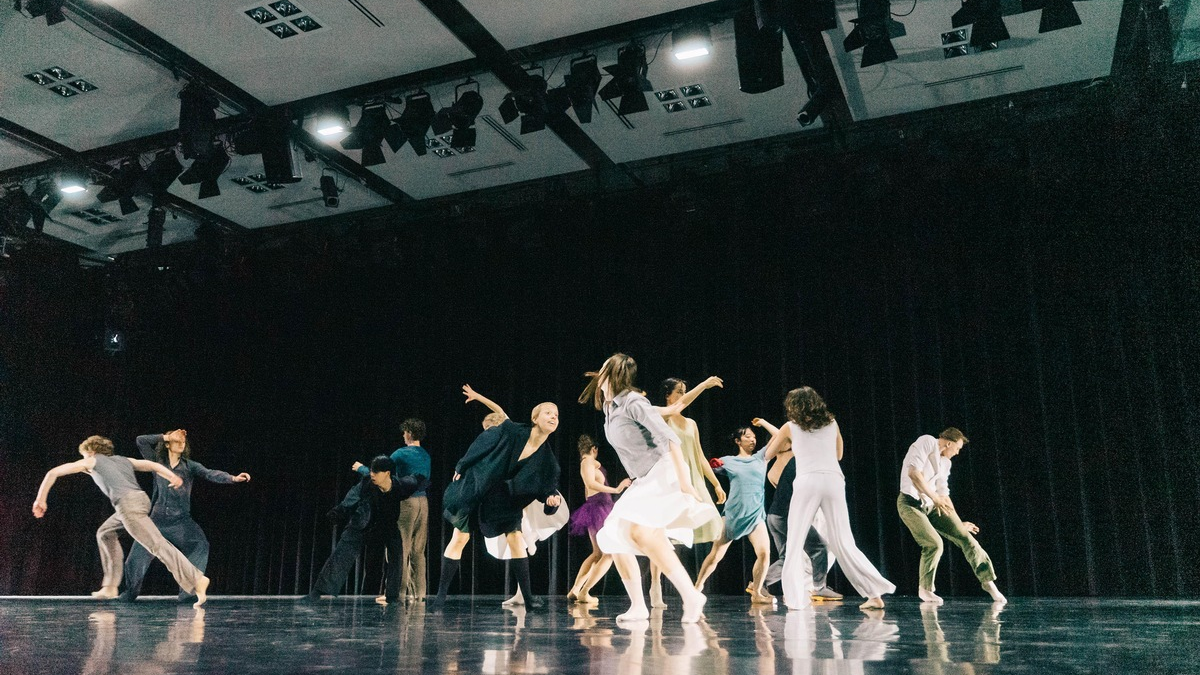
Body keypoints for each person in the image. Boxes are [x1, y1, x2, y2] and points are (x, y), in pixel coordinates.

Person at [578, 353, 721, 624]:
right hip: (644, 478)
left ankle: (691, 596)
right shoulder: (611, 408)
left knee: (642, 532)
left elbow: (671, 440)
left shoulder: (633, 402)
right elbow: (669, 410)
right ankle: (639, 607)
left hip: (662, 471)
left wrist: (685, 482)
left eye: (604, 367)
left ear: (613, 372)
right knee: (611, 536)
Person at [31, 435, 210, 608]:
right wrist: (171, 476)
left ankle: (196, 579)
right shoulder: (123, 460)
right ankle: (110, 586)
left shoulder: (92, 460)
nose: (83, 461)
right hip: (139, 501)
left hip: (128, 506)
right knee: (105, 533)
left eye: (84, 456)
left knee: (157, 545)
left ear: (91, 451)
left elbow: (53, 472)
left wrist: (41, 499)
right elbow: (152, 465)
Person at [431, 385, 562, 611]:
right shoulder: (513, 431)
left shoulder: (549, 462)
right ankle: (440, 597)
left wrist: (552, 501)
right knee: (460, 538)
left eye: (556, 415)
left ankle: (528, 598)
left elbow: (547, 490)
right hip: (481, 490)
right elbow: (484, 441)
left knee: (515, 539)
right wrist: (463, 464)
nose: (553, 416)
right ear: (535, 417)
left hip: (506, 501)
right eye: (549, 412)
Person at [763, 387, 895, 610]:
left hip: (807, 482)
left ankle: (796, 600)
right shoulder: (832, 423)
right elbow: (839, 455)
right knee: (844, 541)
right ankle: (874, 594)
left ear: (793, 406)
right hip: (834, 481)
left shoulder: (789, 427)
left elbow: (767, 454)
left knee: (794, 543)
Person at [120, 429, 250, 602]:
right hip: (156, 521)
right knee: (136, 558)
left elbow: (209, 473)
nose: (181, 443)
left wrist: (232, 478)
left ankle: (187, 594)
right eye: (177, 440)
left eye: (183, 441)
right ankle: (130, 593)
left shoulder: (190, 466)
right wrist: (167, 436)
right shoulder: (157, 462)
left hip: (180, 521)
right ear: (167, 444)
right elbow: (141, 441)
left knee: (200, 544)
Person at [897, 428, 1006, 605]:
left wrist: (957, 521)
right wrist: (935, 498)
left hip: (933, 505)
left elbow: (944, 495)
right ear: (949, 443)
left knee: (966, 538)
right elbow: (914, 474)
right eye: (957, 448)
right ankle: (925, 590)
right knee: (934, 543)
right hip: (910, 504)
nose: (957, 452)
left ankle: (988, 582)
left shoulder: (945, 463)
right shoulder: (926, 441)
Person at [302, 456, 425, 604]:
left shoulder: (400, 485)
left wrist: (422, 478)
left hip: (387, 526)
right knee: (342, 552)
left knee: (397, 555)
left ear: (387, 473)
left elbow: (415, 480)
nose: (372, 474)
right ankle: (317, 592)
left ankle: (392, 597)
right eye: (371, 470)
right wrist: (336, 513)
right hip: (363, 523)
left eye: (376, 471)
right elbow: (350, 499)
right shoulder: (367, 483)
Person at [648, 376, 726, 608]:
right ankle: (655, 584)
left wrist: (715, 483)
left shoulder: (691, 424)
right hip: (670, 480)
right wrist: (703, 385)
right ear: (668, 395)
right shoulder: (660, 416)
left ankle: (689, 587)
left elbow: (699, 455)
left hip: (691, 479)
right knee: (660, 534)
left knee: (708, 525)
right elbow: (675, 410)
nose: (683, 395)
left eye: (685, 391)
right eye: (679, 392)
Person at [756, 417, 843, 602]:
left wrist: (764, 423)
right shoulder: (801, 462)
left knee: (788, 557)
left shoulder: (777, 466)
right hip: (789, 515)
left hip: (774, 515)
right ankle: (819, 587)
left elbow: (782, 434)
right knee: (819, 548)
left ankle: (758, 583)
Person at [352, 417, 431, 602]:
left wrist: (361, 468)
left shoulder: (400, 454)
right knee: (418, 551)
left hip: (407, 503)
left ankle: (397, 593)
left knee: (399, 549)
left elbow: (381, 475)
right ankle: (419, 594)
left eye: (404, 433)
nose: (403, 436)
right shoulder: (426, 455)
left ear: (409, 433)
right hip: (423, 504)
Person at [693, 426, 773, 603]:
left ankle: (757, 593)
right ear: (738, 441)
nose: (753, 440)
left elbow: (780, 435)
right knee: (715, 555)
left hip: (755, 515)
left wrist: (764, 422)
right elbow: (704, 467)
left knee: (764, 553)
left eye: (754, 437)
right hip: (733, 514)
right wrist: (714, 466)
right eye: (748, 437)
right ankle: (697, 587)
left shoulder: (761, 458)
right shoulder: (728, 461)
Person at [566, 434, 631, 606]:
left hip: (598, 507)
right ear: (594, 449)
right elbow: (590, 483)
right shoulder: (587, 461)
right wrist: (616, 489)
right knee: (609, 553)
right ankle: (585, 592)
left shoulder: (588, 462)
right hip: (599, 507)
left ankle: (576, 589)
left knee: (597, 553)